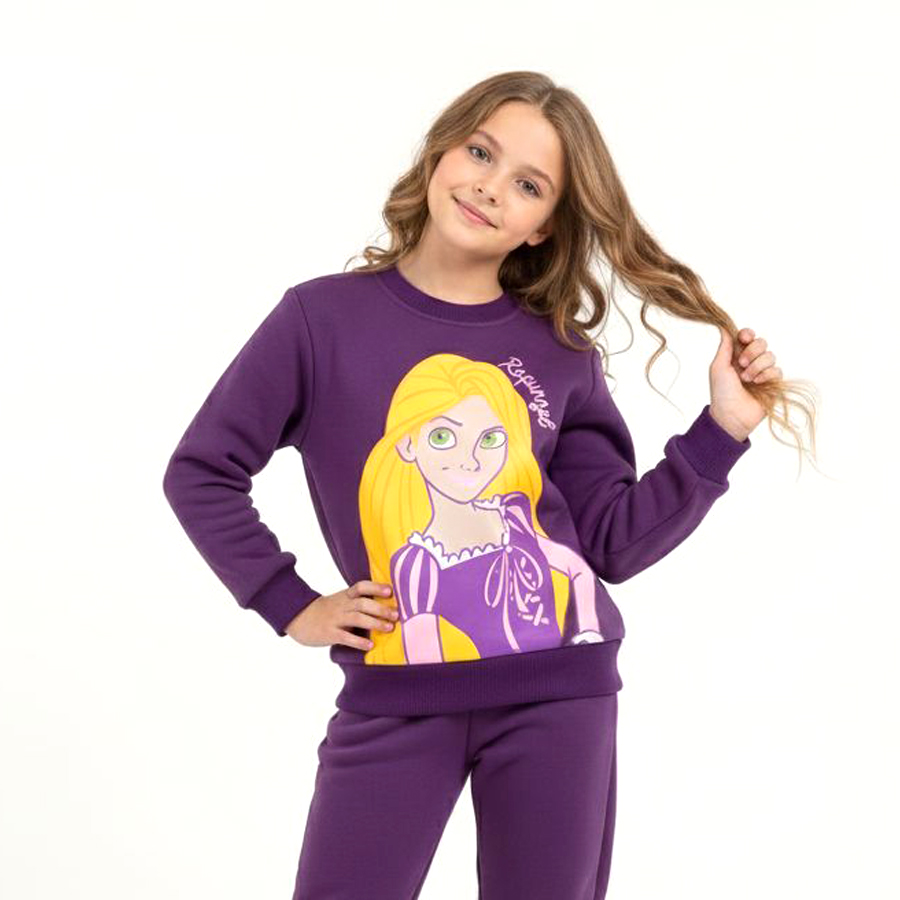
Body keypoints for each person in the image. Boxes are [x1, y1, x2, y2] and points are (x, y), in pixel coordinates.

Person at [163, 71, 815, 900]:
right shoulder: (318, 322)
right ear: (441, 150)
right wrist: (290, 604)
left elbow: (610, 544)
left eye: (529, 185)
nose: (490, 186)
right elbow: (202, 470)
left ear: (544, 227)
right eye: (481, 152)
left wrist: (721, 429)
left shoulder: (560, 355)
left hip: (561, 698)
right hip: (393, 694)